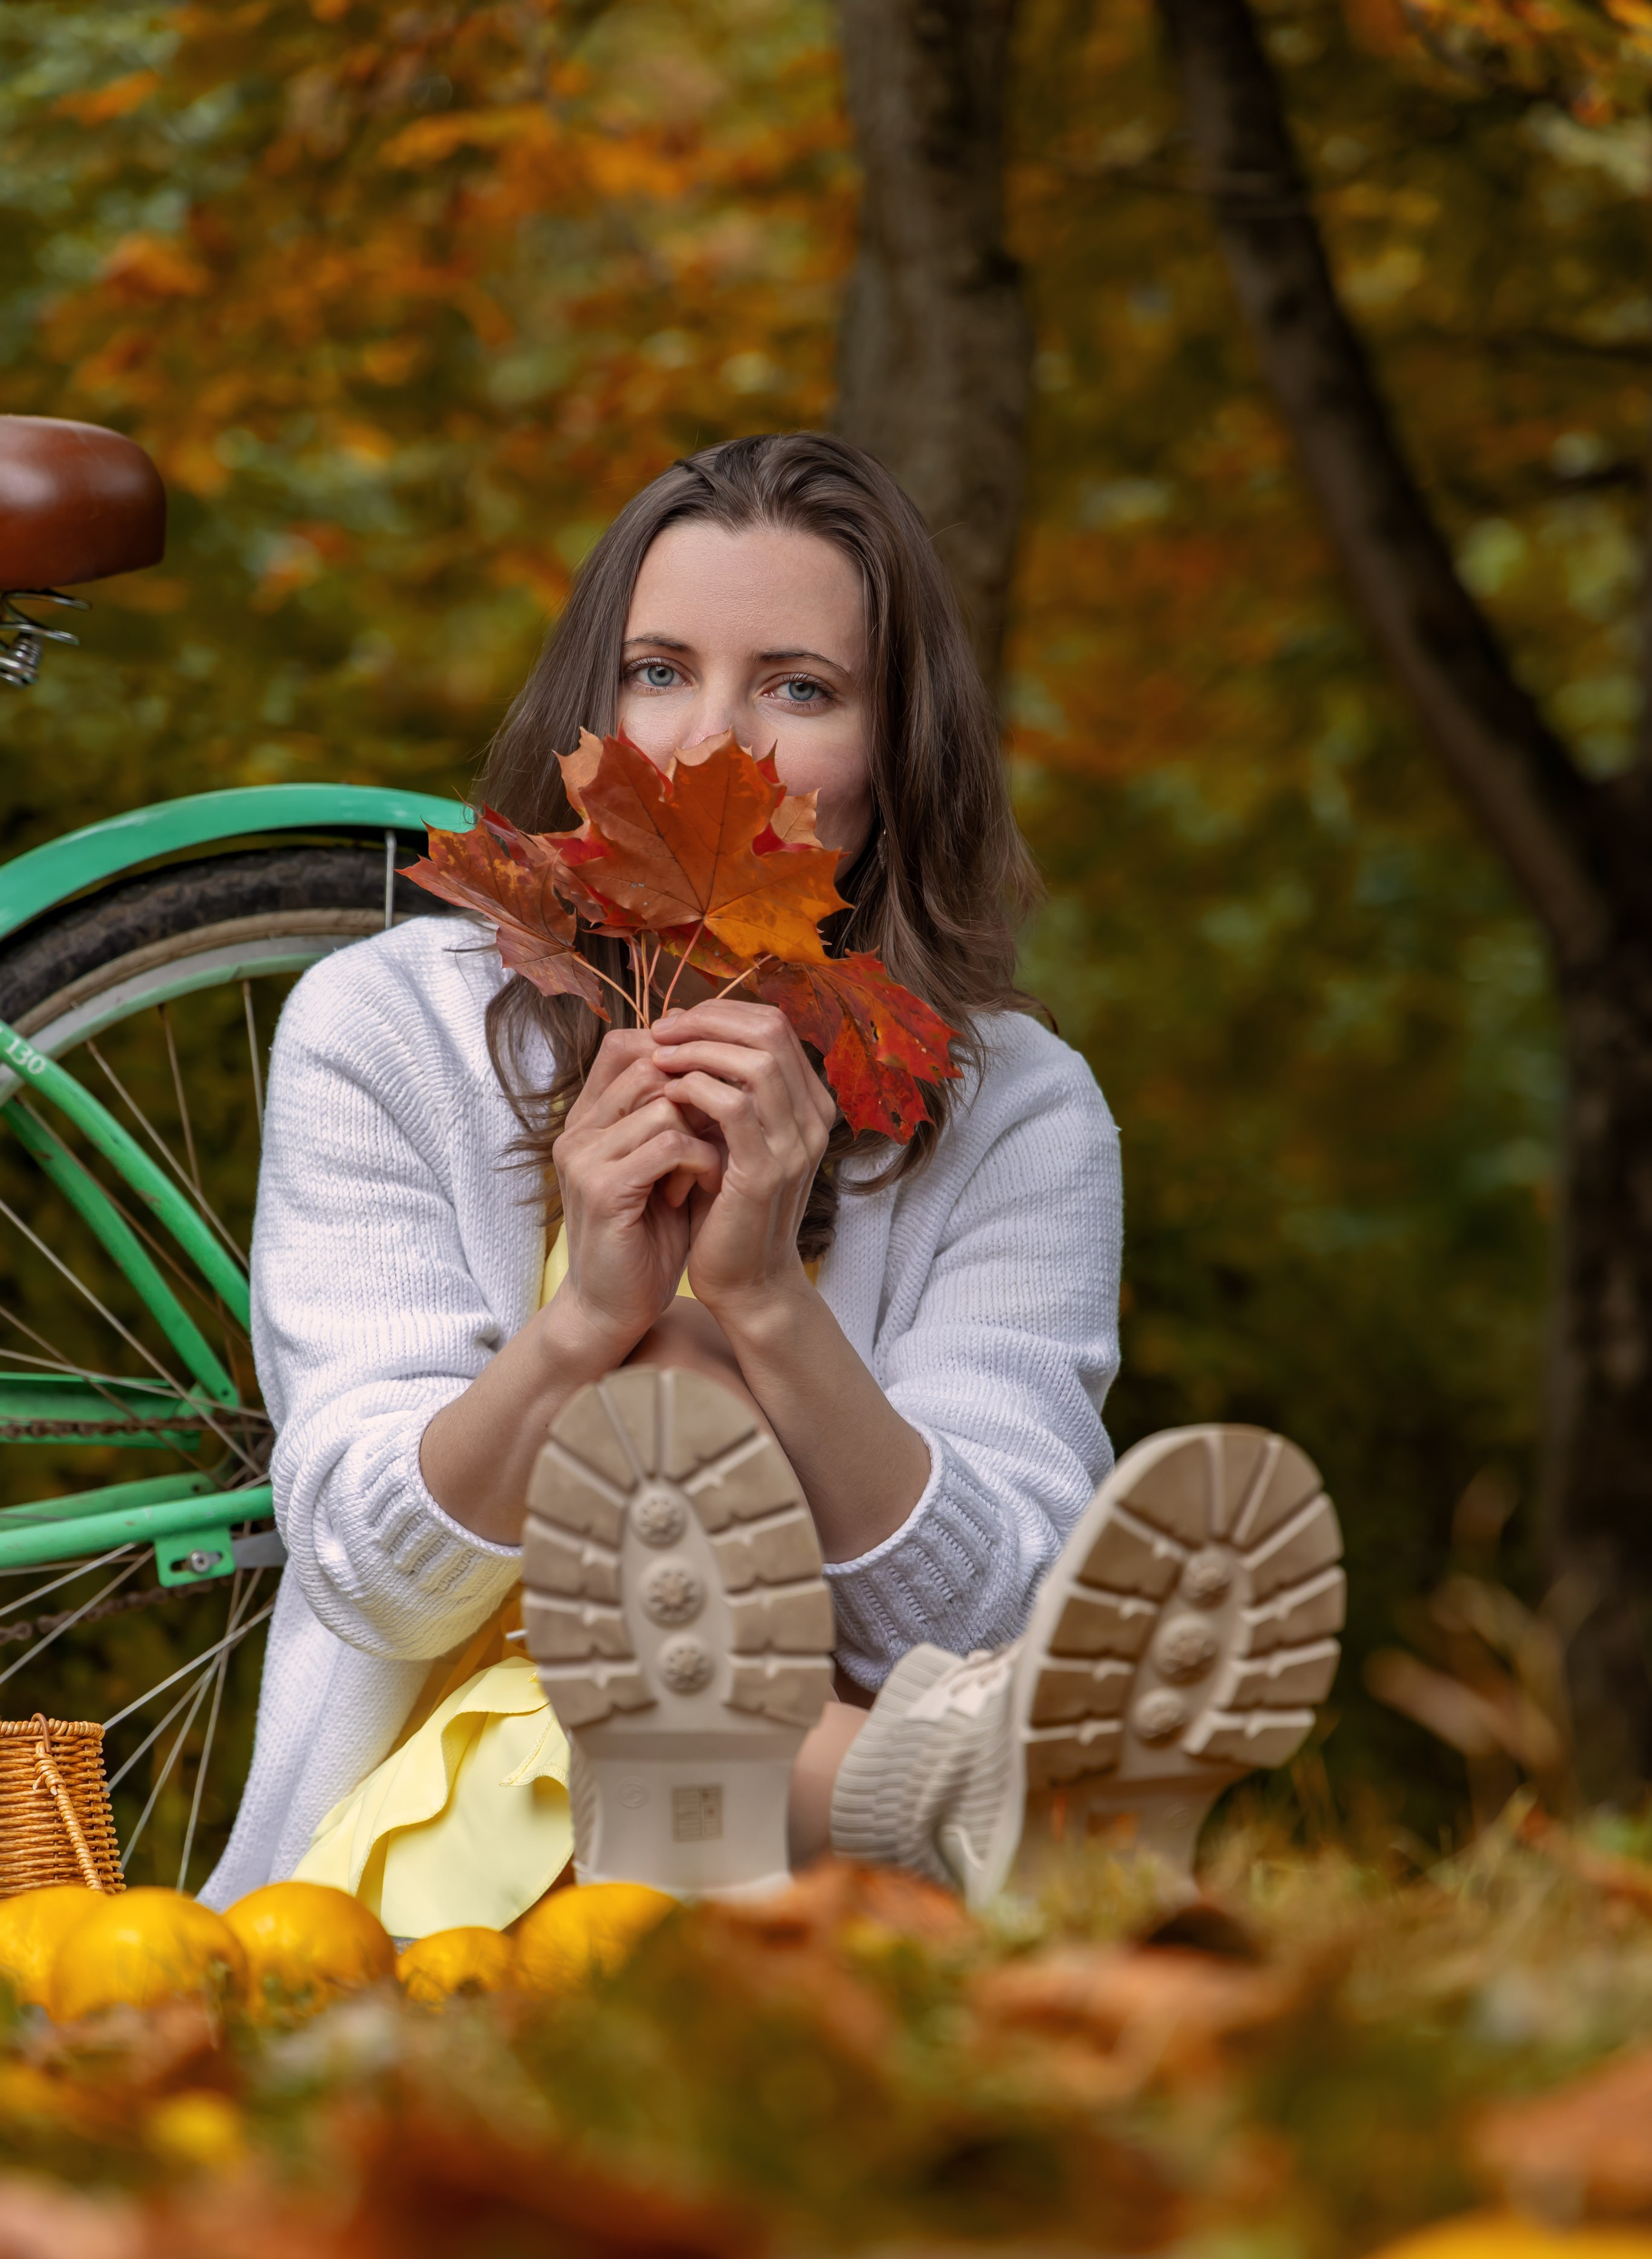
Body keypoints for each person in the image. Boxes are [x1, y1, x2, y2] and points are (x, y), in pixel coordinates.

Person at [206, 432, 1337, 1928]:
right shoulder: (389, 1026)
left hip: (809, 1882)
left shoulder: (1014, 1111)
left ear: (893, 754)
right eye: (657, 671)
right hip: (435, 1846)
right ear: (586, 712)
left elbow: (993, 1617)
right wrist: (586, 1318)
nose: (709, 749)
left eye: (798, 690)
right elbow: (373, 1572)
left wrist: (763, 1304)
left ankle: (908, 1791)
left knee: (698, 1359)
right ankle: (960, 1796)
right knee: (659, 1366)